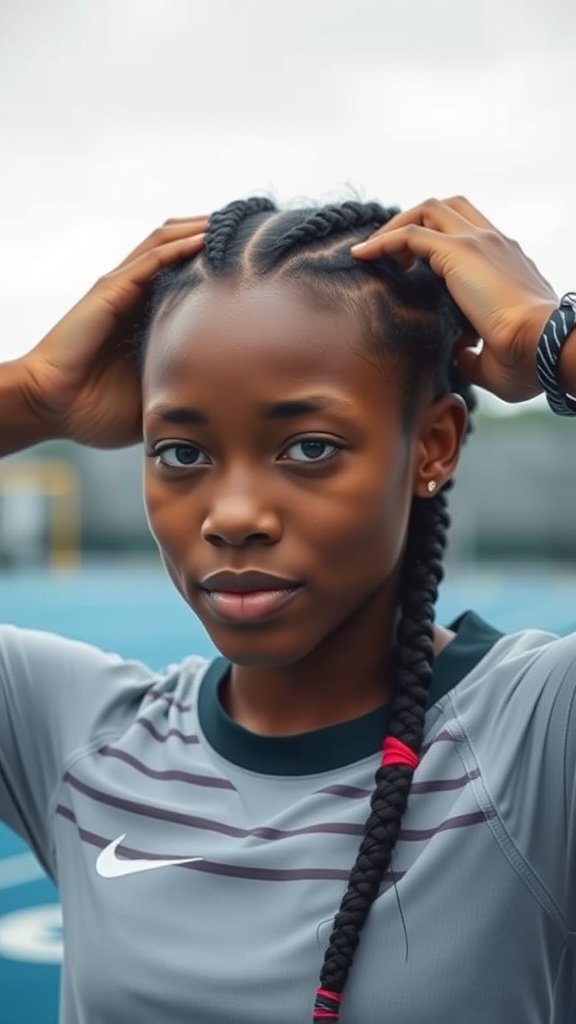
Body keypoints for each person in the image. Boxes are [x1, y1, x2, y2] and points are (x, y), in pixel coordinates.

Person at [0, 195, 575, 1024]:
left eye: (309, 447)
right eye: (181, 451)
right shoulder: (74, 736)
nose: (232, 514)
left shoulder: (535, 741)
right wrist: (33, 392)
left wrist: (545, 336)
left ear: (434, 446)